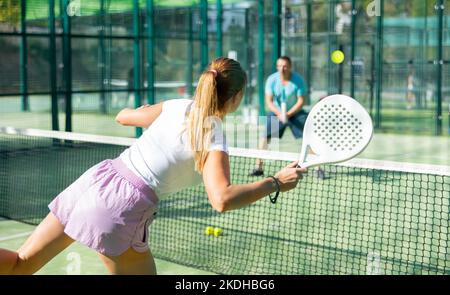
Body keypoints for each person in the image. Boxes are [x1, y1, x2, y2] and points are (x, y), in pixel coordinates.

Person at [0, 58, 307, 275]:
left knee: (20, 264)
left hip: (97, 179)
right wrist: (276, 182)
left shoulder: (176, 106)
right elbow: (221, 199)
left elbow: (123, 116)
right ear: (237, 97)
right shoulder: (213, 136)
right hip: (122, 206)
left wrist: (143, 112)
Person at [249, 56, 309, 177]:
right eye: (279, 66)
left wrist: (288, 114)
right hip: (277, 113)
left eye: (285, 66)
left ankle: (318, 169)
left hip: (295, 112)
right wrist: (279, 114)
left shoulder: (298, 80)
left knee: (310, 137)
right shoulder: (272, 80)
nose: (282, 69)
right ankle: (259, 168)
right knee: (264, 137)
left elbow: (301, 101)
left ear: (290, 67)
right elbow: (269, 102)